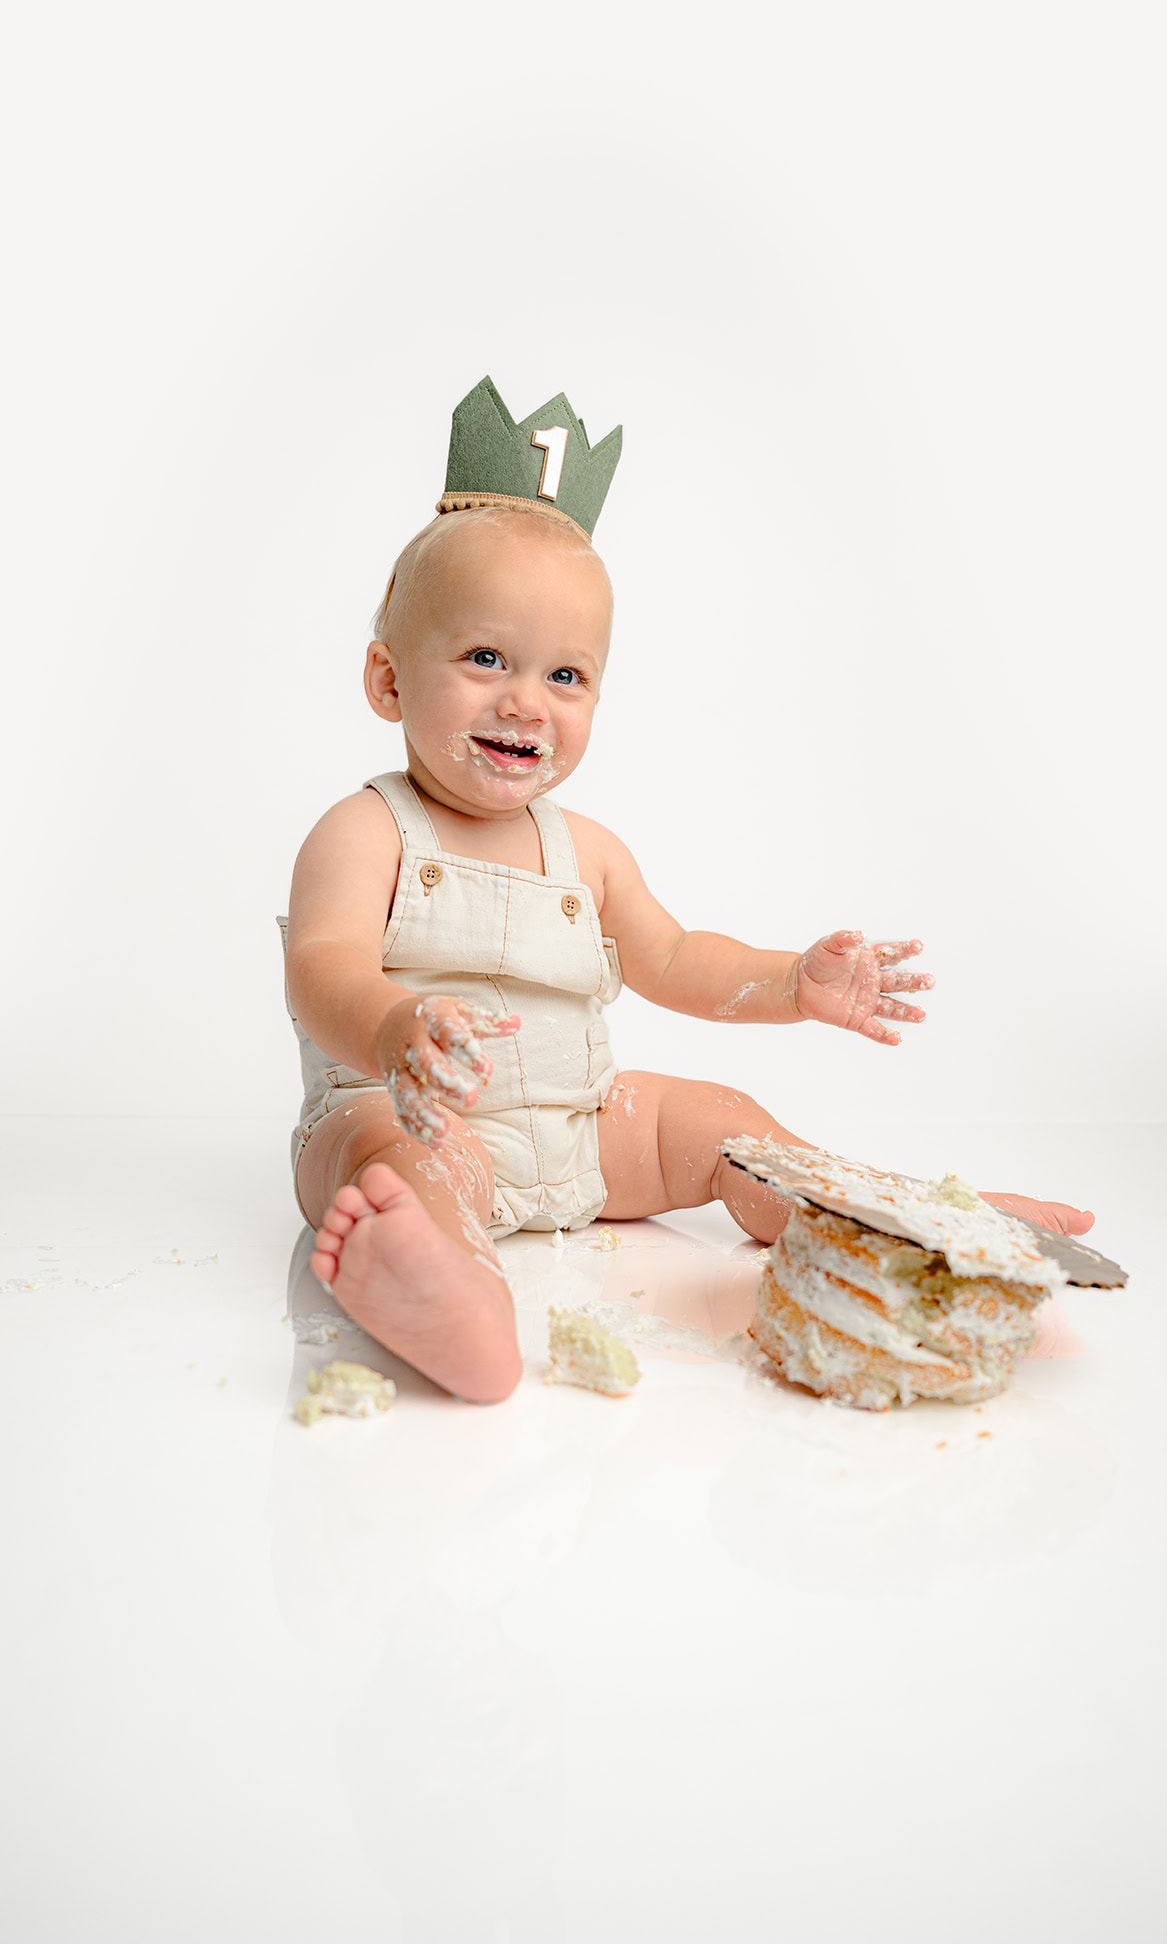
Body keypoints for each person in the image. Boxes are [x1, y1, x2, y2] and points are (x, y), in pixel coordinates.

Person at [280, 378, 1093, 1403]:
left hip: (573, 1124)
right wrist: (395, 1029)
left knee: (717, 1116)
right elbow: (321, 969)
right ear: (390, 679)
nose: (526, 699)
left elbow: (670, 958)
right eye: (486, 657)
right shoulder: (363, 831)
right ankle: (453, 1303)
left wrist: (790, 982)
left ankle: (896, 1220)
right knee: (398, 1161)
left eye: (564, 675)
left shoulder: (590, 851)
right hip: (406, 1110)